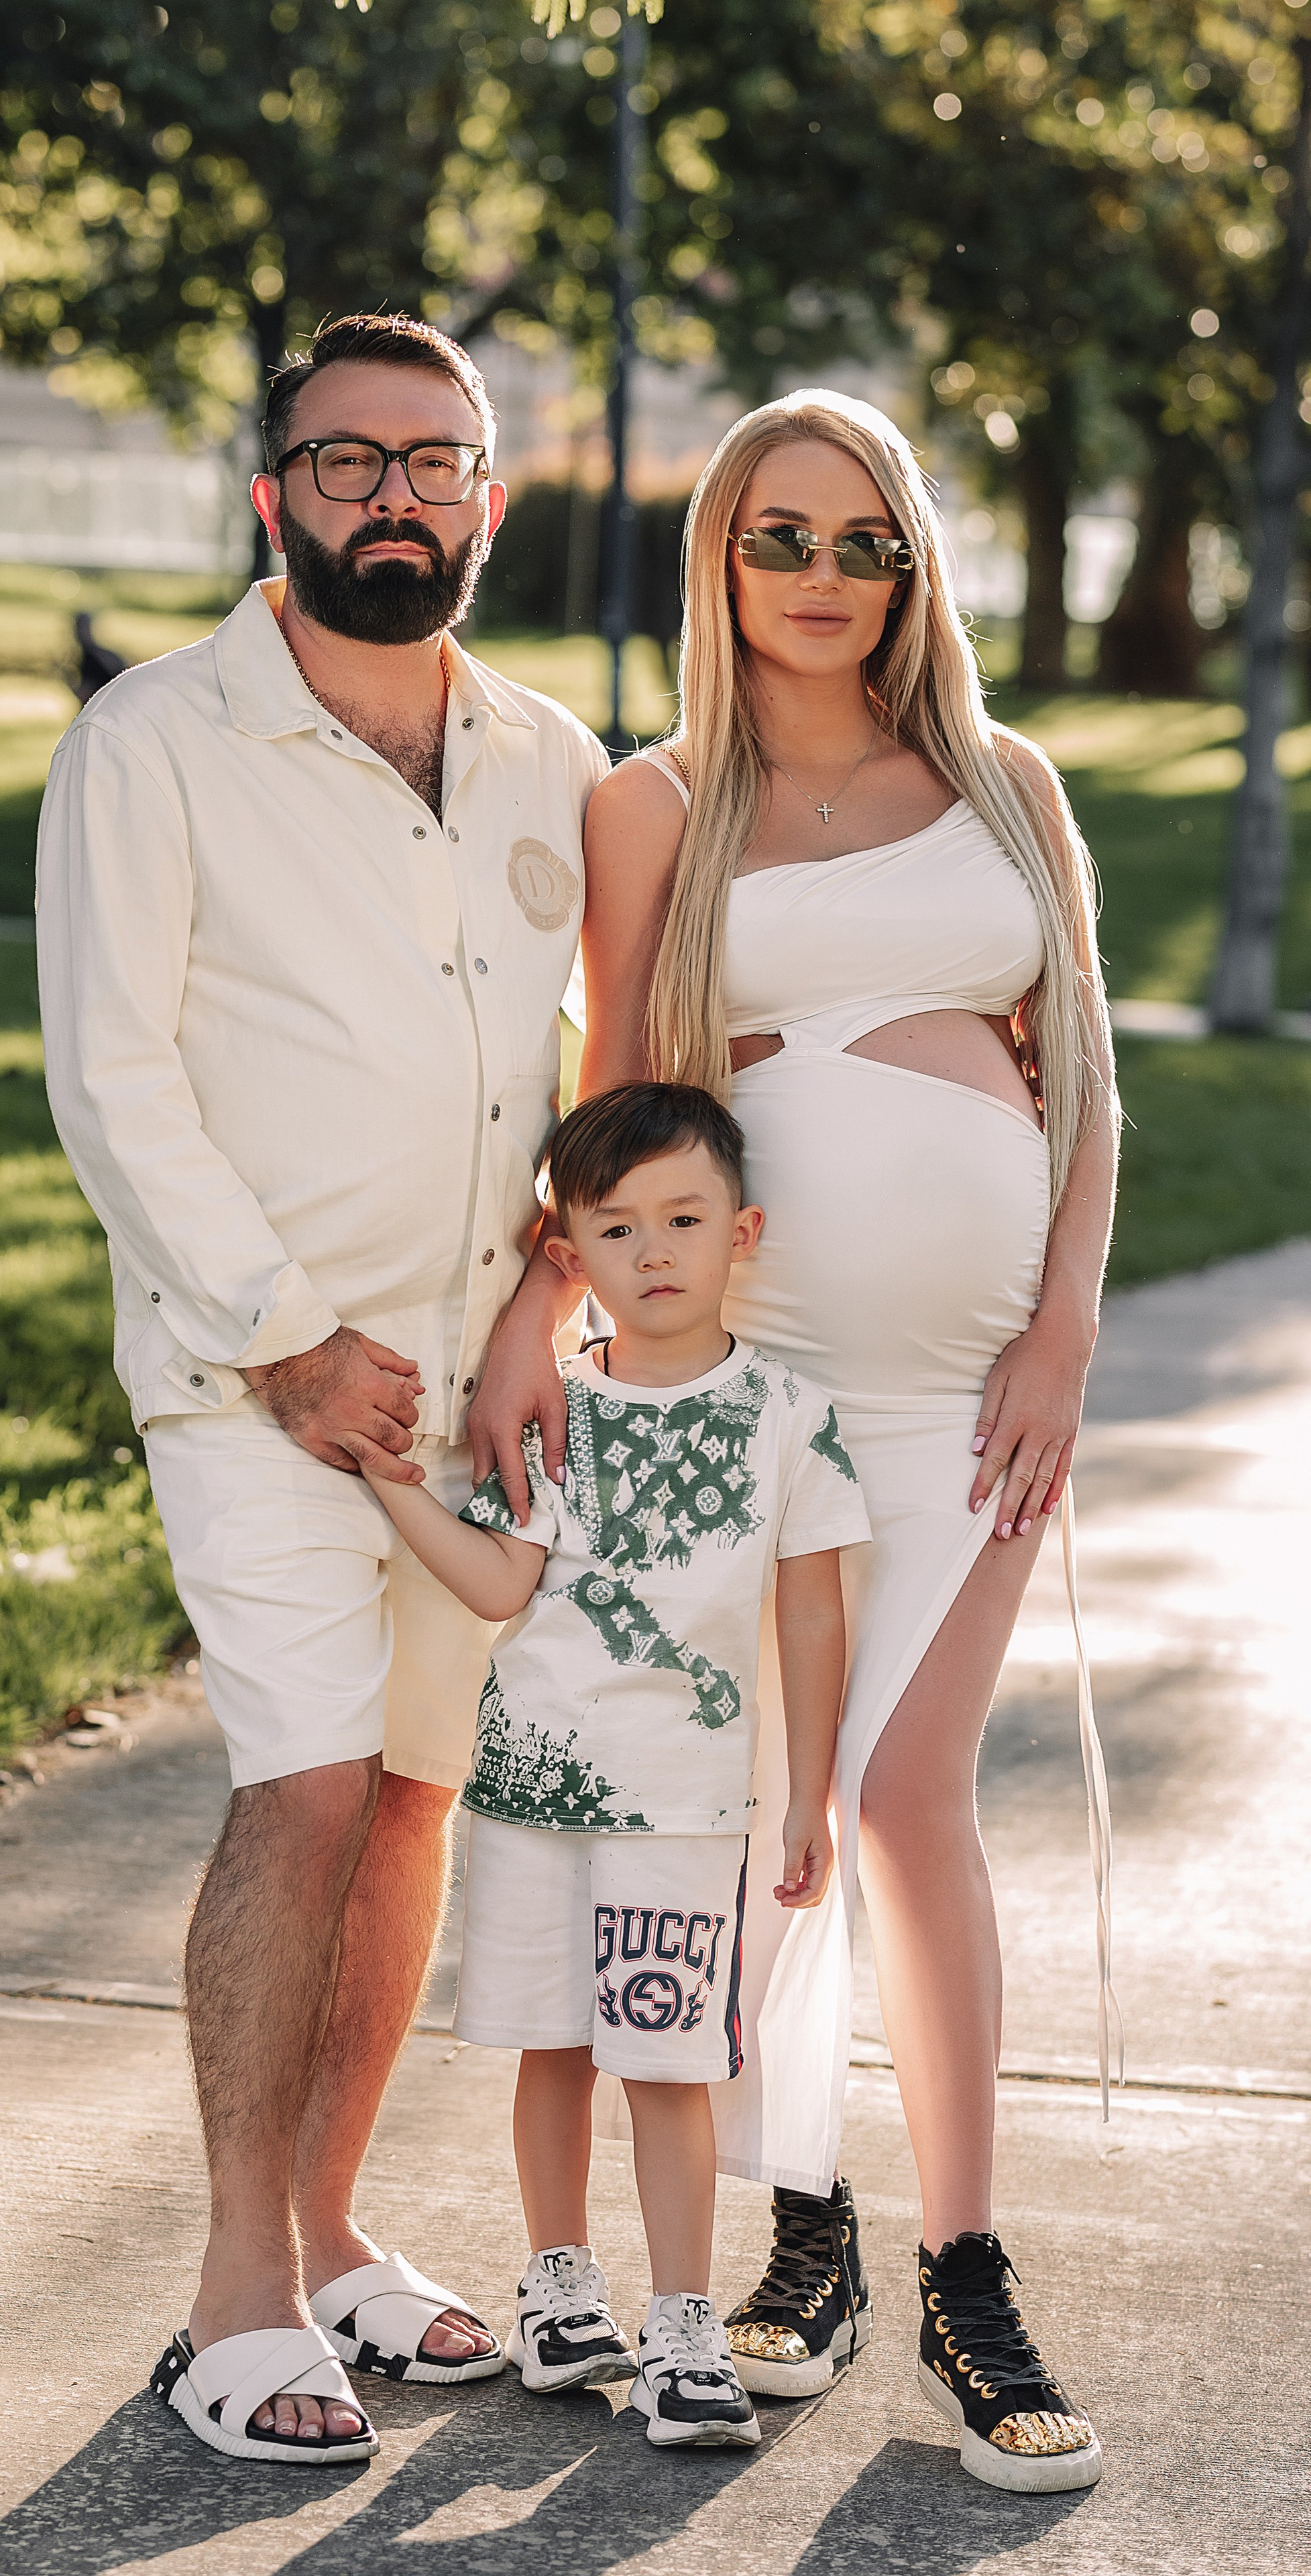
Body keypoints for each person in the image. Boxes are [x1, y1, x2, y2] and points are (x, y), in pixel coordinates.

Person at [469, 389, 1118, 2494]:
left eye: (864, 542)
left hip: (973, 1399)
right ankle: (811, 2236)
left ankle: (966, 2267)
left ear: (911, 569)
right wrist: (535, 1326)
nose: (823, 576)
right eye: (781, 538)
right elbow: (625, 1111)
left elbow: (1084, 1089)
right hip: (760, 1399)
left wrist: (1063, 1333)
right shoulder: (662, 807)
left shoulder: (1007, 782)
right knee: (763, 1817)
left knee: (905, 1797)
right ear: (719, 566)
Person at [36, 312, 610, 2466]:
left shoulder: (548, 754)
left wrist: (542, 1299)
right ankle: (232, 2298)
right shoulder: (155, 740)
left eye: (436, 463)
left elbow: (578, 1058)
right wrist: (283, 1331)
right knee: (303, 1784)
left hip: (472, 1395)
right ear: (273, 494)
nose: (398, 495)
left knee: (411, 1801)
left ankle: (342, 2234)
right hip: (256, 1376)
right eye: (349, 460)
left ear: (490, 497)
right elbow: (115, 1077)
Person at [363, 1082, 871, 2449]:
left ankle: (684, 2326)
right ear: (569, 1253)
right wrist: (390, 1482)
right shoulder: (556, 1410)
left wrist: (808, 1786)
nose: (654, 1251)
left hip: (684, 1807)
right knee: (553, 2048)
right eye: (617, 1225)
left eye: (683, 1218)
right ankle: (556, 2284)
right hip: (535, 1792)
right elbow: (494, 1579)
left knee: (664, 2061)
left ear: (740, 1230)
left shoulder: (784, 1416)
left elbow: (810, 1613)